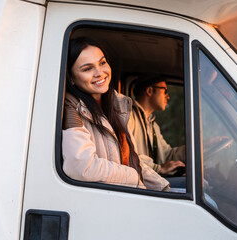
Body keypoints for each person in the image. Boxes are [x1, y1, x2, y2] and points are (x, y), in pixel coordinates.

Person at [62, 37, 169, 191]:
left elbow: (134, 160)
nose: (100, 72)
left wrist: (162, 188)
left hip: (129, 192)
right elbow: (80, 166)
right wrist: (133, 178)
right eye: (87, 69)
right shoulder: (71, 107)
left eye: (102, 62)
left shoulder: (117, 105)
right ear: (71, 78)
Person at [128, 75, 185, 176]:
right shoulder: (129, 116)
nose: (168, 96)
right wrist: (159, 168)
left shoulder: (153, 126)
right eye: (165, 91)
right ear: (149, 91)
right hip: (137, 181)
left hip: (150, 178)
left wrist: (202, 147)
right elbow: (126, 153)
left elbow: (167, 155)